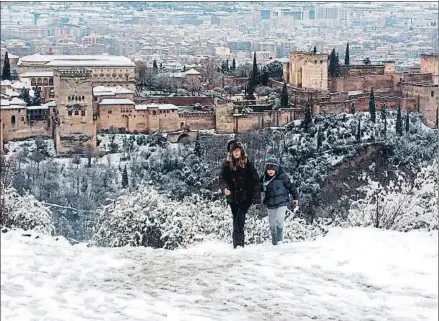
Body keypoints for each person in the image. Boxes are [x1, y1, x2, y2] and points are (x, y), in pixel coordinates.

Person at [219, 140, 262, 249]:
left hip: (245, 196)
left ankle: (239, 244)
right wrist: (225, 188)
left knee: (240, 218)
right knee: (235, 219)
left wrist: (256, 197)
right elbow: (222, 178)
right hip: (233, 197)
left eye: (238, 150)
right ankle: (237, 244)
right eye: (235, 151)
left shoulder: (247, 164)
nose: (237, 153)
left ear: (241, 151)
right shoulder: (227, 165)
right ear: (231, 153)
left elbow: (255, 180)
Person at [261, 157, 299, 245]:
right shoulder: (264, 179)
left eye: (272, 169)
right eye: (268, 169)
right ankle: (274, 241)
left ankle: (279, 239)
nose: (270, 171)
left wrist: (295, 198)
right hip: (270, 203)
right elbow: (257, 188)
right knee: (272, 223)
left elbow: (291, 187)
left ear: (276, 169)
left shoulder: (283, 177)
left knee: (279, 219)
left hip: (282, 201)